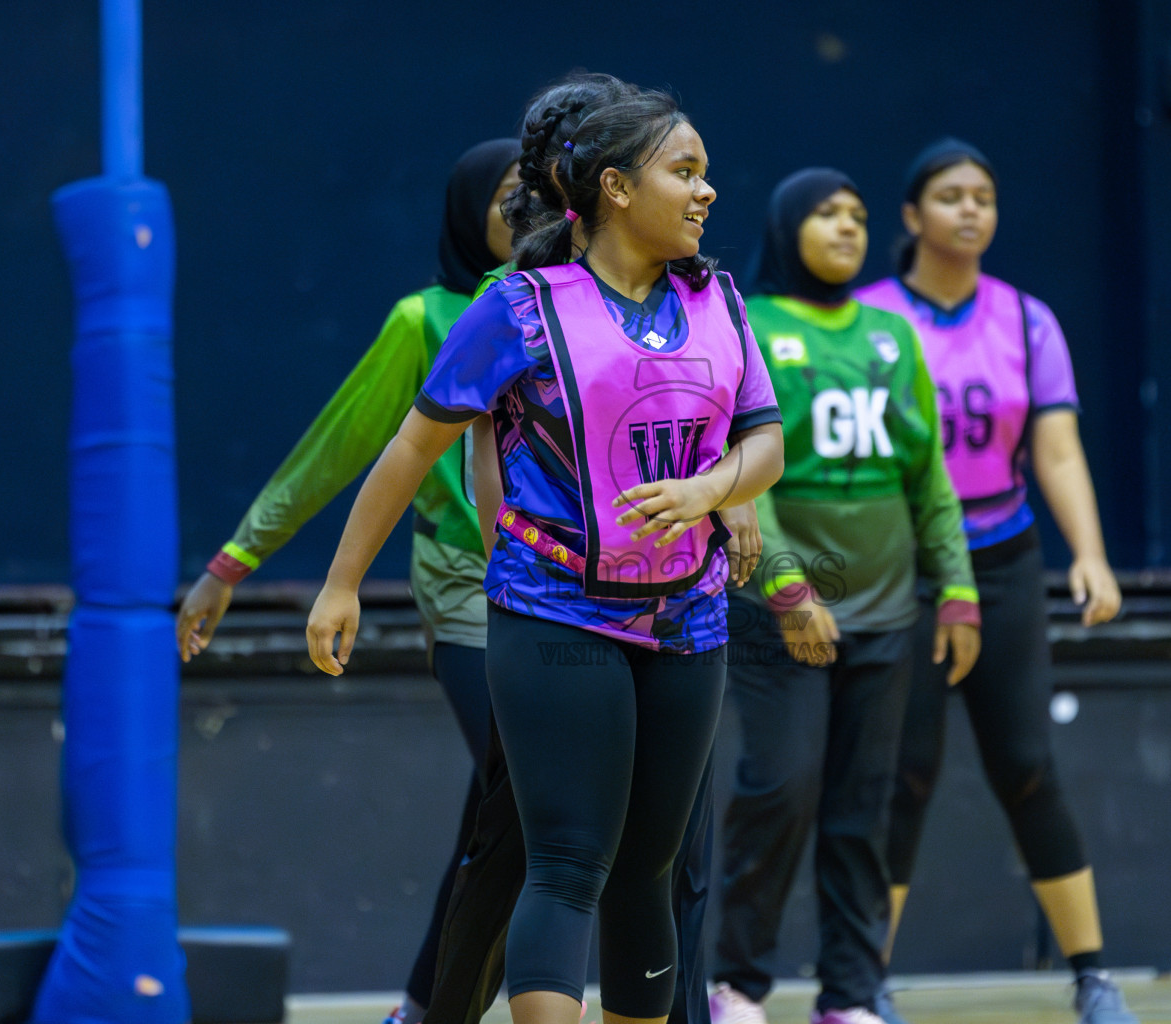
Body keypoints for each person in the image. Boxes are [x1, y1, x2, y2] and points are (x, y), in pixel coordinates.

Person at [305, 74, 785, 1024]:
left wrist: (710, 489)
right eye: (683, 172)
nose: (706, 192)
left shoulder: (721, 302)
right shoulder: (519, 308)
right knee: (568, 863)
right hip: (555, 611)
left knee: (647, 872)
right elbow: (413, 447)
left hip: (689, 615)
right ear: (613, 187)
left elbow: (764, 443)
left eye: (706, 174)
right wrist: (342, 583)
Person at [173, 136, 521, 1024]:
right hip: (467, 592)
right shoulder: (427, 320)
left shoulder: (591, 307)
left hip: (580, 598)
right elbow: (336, 450)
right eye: (510, 197)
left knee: (506, 808)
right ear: (469, 211)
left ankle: (420, 1005)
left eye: (544, 197)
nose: (530, 215)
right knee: (516, 790)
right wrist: (232, 563)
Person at [855, 138, 1135, 1024]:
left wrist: (1087, 553)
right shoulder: (867, 319)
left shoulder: (1026, 320)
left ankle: (1092, 975)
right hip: (904, 567)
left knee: (1026, 765)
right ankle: (864, 985)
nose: (971, 209)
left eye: (984, 195)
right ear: (912, 217)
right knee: (903, 772)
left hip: (1004, 559)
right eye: (950, 195)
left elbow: (1055, 449)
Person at [708, 169, 980, 1024]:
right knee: (779, 789)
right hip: (777, 616)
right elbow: (745, 481)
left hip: (889, 617)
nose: (847, 228)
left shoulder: (893, 335)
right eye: (827, 214)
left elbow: (928, 475)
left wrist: (961, 589)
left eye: (858, 216)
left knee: (865, 806)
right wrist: (788, 590)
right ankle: (739, 985)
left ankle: (852, 995)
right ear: (790, 227)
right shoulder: (749, 325)